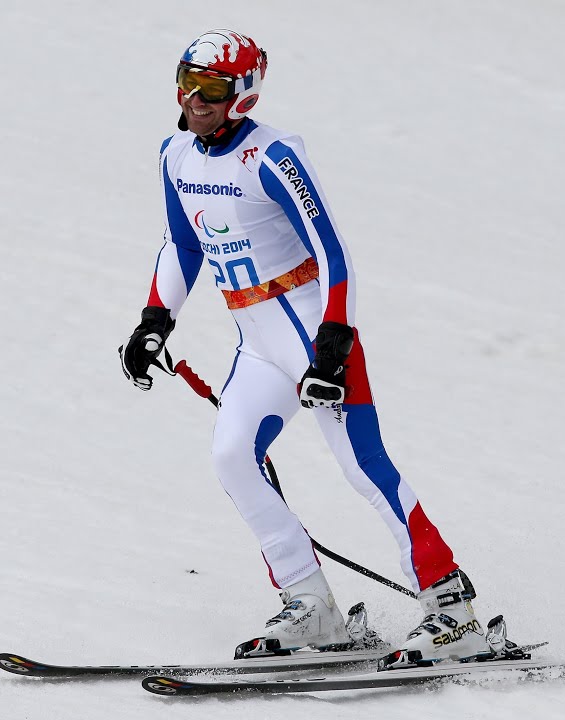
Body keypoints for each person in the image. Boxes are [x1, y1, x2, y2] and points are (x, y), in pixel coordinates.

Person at [119, 29, 495, 665]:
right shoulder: (175, 155)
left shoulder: (272, 156)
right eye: (186, 82)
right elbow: (183, 245)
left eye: (211, 89)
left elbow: (333, 252)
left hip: (310, 327)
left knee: (363, 467)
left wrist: (332, 344)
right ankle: (310, 606)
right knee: (234, 456)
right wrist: (156, 317)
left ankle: (453, 608)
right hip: (257, 341)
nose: (195, 99)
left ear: (243, 94)